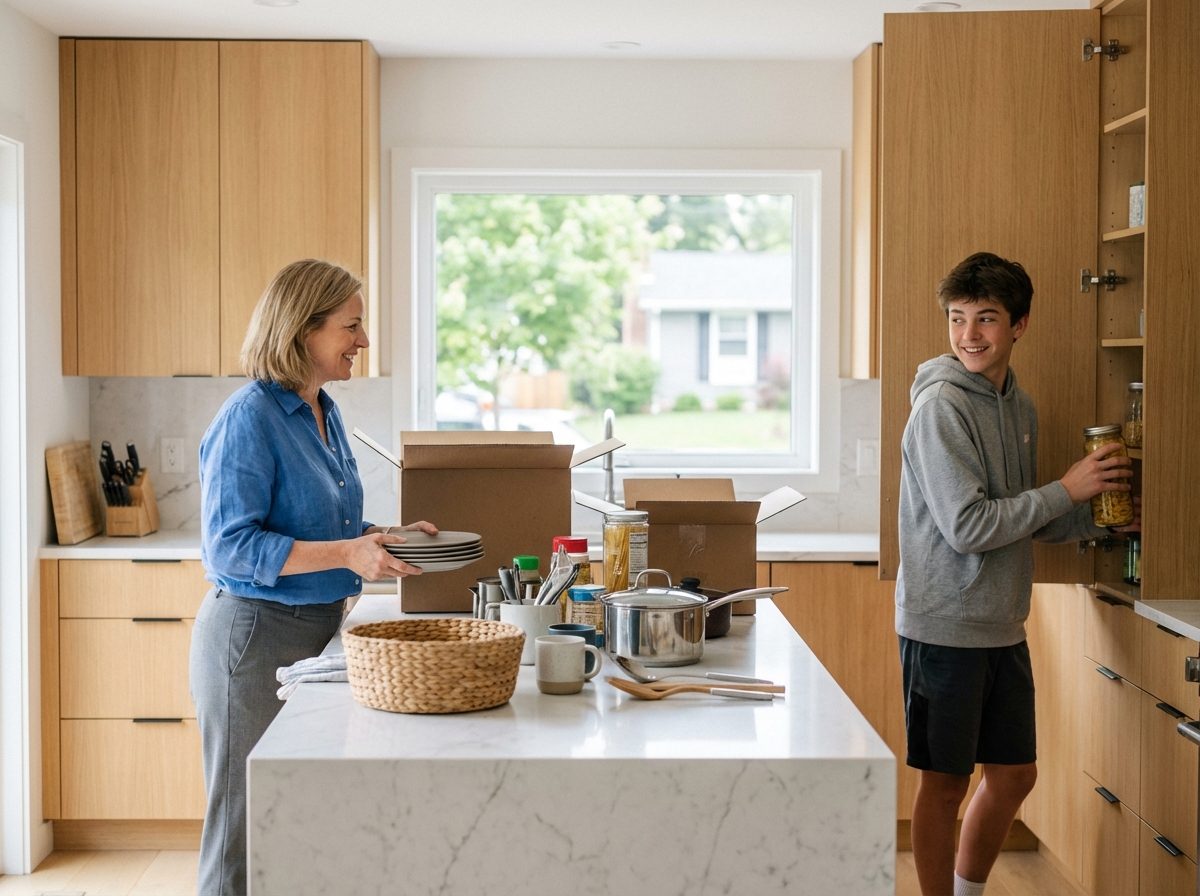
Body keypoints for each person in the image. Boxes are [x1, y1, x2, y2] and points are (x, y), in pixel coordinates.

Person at [895, 252, 1140, 896]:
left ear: (1019, 325)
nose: (969, 334)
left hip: (1001, 623)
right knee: (943, 785)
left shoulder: (1017, 407)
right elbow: (969, 527)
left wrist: (1099, 522)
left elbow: (1016, 519)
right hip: (944, 624)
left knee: (1014, 774)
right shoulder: (941, 408)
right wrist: (1067, 488)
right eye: (957, 318)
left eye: (985, 319)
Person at [190, 259, 436, 896]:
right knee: (241, 821)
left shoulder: (322, 412)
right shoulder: (250, 417)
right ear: (304, 331)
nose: (363, 340)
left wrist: (382, 538)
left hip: (316, 634)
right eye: (351, 326)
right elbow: (230, 547)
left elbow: (325, 526)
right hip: (253, 640)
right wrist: (349, 554)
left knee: (295, 812)